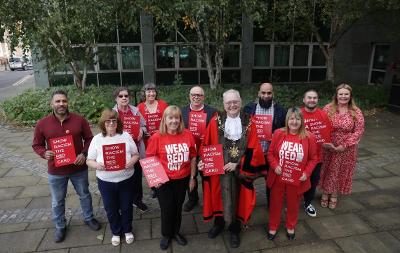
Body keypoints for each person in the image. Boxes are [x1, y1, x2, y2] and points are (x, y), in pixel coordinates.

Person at [199, 89, 265, 248]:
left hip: (240, 173)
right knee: (217, 197)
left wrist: (238, 164)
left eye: (235, 101)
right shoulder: (215, 121)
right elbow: (206, 145)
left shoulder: (250, 122)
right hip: (219, 173)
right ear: (223, 104)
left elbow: (255, 150)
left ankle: (234, 230)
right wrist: (203, 161)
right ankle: (219, 223)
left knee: (238, 200)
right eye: (228, 102)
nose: (232, 105)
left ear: (240, 102)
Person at [32, 90, 100, 243]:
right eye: (58, 101)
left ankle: (89, 218)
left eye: (64, 101)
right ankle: (60, 225)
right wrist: (44, 153)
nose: (61, 104)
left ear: (68, 102)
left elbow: (90, 139)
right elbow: (36, 144)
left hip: (78, 168)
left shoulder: (79, 120)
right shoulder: (42, 123)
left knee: (84, 195)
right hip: (56, 171)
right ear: (52, 104)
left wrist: (84, 154)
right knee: (58, 200)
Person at [146, 106, 197, 250]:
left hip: (183, 178)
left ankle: (176, 232)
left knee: (178, 206)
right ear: (165, 120)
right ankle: (166, 235)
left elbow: (193, 157)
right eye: (171, 118)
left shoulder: (187, 134)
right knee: (167, 208)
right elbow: (150, 158)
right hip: (164, 180)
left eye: (177, 118)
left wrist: (192, 177)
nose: (174, 121)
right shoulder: (157, 137)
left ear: (180, 120)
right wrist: (155, 179)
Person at [86, 109, 139, 246]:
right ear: (103, 123)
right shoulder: (97, 139)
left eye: (114, 121)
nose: (111, 123)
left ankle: (127, 230)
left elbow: (136, 154)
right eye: (108, 121)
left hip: (126, 179)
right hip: (106, 181)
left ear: (118, 122)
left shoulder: (126, 136)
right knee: (111, 208)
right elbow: (89, 160)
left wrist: (131, 162)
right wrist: (97, 165)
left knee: (127, 206)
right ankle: (116, 232)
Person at [266, 107, 319, 241]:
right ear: (287, 120)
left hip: (297, 179)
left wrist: (306, 174)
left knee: (293, 204)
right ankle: (273, 226)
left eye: (297, 118)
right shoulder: (278, 133)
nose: (294, 122)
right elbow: (270, 154)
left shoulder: (309, 137)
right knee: (275, 203)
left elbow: (314, 158)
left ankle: (290, 226)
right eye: (291, 118)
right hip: (278, 177)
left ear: (302, 120)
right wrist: (275, 165)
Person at [319, 84, 364, 209]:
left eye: (346, 94)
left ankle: (334, 194)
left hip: (346, 148)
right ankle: (325, 192)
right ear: (336, 95)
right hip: (329, 146)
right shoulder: (328, 108)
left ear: (350, 96)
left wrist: (345, 145)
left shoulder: (356, 111)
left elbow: (358, 131)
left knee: (340, 171)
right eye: (341, 94)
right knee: (327, 170)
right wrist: (324, 142)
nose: (343, 96)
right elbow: (320, 125)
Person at [243, 82, 286, 205]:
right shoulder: (249, 108)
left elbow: (285, 132)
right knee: (247, 180)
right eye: (263, 93)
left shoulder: (281, 111)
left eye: (269, 93)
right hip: (253, 152)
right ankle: (247, 207)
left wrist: (276, 136)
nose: (266, 95)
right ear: (258, 93)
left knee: (271, 182)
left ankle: (271, 205)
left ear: (273, 94)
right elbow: (242, 128)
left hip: (270, 154)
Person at [181, 85, 217, 212]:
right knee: (190, 176)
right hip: (189, 151)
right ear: (189, 96)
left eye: (199, 95)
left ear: (204, 97)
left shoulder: (212, 112)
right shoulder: (182, 111)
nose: (196, 97)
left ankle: (209, 199)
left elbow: (217, 131)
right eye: (193, 95)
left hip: (206, 151)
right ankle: (192, 198)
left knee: (207, 177)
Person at [112, 87, 148, 212]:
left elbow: (144, 125)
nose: (124, 98)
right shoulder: (112, 113)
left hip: (136, 150)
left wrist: (141, 131)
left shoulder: (135, 111)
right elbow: (106, 131)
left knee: (137, 177)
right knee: (123, 178)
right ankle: (124, 201)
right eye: (120, 96)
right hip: (120, 151)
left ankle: (137, 200)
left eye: (126, 96)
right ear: (116, 98)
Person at [300, 89, 332, 217]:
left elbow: (327, 133)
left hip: (316, 157)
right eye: (309, 97)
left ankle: (307, 203)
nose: (312, 100)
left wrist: (328, 144)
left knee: (313, 181)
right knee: (296, 180)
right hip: (299, 155)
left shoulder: (323, 114)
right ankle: (293, 202)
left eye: (314, 98)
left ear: (317, 100)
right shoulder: (298, 113)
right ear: (304, 100)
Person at [137, 83, 169, 198]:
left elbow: (168, 119)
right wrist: (142, 130)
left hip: (162, 137)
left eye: (153, 91)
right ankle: (154, 186)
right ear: (144, 93)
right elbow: (138, 124)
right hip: (147, 140)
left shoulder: (163, 104)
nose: (151, 93)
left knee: (162, 159)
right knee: (149, 162)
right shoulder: (139, 107)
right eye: (148, 91)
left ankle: (164, 182)